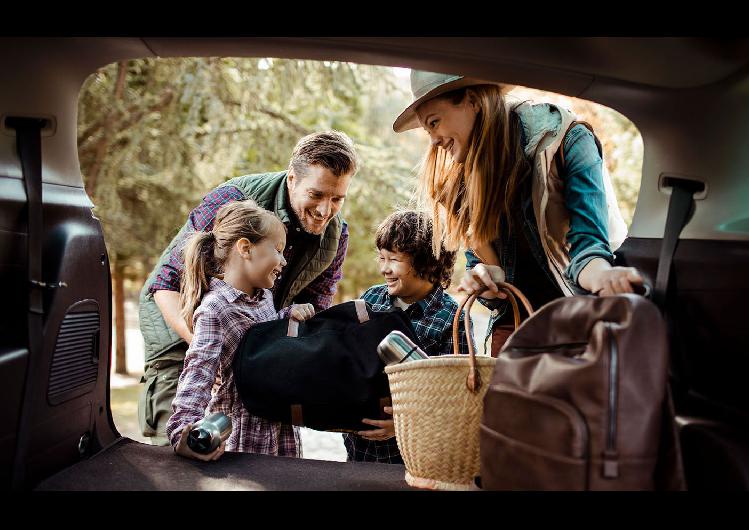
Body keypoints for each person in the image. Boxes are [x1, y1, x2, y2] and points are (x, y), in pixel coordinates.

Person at [393, 70, 642, 356]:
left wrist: (605, 278)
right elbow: (489, 276)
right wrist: (483, 279)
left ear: (472, 100)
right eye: (428, 131)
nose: (434, 141)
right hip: (517, 334)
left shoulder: (567, 140)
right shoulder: (460, 186)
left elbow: (589, 250)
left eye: (435, 122)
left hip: (580, 322)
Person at [139, 131, 358, 445]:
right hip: (182, 336)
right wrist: (213, 353)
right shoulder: (233, 198)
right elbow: (165, 285)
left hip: (252, 349)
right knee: (180, 455)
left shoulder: (335, 237)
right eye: (317, 195)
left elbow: (312, 317)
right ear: (292, 178)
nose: (326, 210)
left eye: (337, 199)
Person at [166, 200, 316, 460]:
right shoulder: (216, 308)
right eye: (278, 250)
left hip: (279, 431)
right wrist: (183, 433)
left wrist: (286, 316)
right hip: (244, 437)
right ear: (245, 248)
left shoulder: (264, 298)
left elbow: (262, 338)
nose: (283, 261)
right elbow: (198, 373)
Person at [343, 209, 473, 464]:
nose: (384, 269)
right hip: (359, 452)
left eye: (393, 259)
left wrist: (402, 426)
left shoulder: (452, 318)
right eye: (381, 258)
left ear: (426, 261)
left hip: (413, 456)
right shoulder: (371, 299)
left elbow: (457, 398)